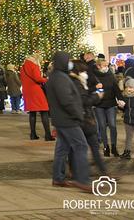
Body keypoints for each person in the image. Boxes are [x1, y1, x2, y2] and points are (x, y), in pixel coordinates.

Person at [46, 51, 90, 192]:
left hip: (60, 119)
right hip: (68, 119)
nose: (69, 63)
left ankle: (58, 178)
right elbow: (67, 101)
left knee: (62, 149)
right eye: (68, 60)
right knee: (81, 146)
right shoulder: (60, 78)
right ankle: (82, 180)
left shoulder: (55, 76)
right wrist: (78, 114)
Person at [69, 61, 109, 177]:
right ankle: (80, 174)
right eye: (83, 71)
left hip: (84, 118)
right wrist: (97, 96)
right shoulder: (76, 83)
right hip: (83, 119)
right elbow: (83, 101)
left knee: (92, 146)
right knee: (83, 147)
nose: (85, 73)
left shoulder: (78, 82)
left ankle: (103, 172)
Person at [21, 54, 53, 141]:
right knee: (44, 110)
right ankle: (48, 135)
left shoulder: (23, 66)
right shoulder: (34, 65)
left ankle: (33, 134)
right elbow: (37, 78)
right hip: (35, 90)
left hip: (26, 90)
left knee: (32, 112)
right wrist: (46, 80)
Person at [93, 59, 120, 157]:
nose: (106, 67)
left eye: (107, 65)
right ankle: (106, 147)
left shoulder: (110, 75)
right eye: (104, 65)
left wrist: (120, 99)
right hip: (99, 105)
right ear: (98, 66)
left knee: (113, 125)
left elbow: (116, 88)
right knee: (102, 126)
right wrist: (95, 88)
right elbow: (89, 89)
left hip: (111, 104)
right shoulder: (94, 76)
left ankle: (114, 147)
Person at [117, 77, 134, 160]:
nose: (129, 89)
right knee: (128, 137)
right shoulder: (125, 97)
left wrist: (126, 105)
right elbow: (125, 108)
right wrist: (120, 106)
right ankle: (127, 152)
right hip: (128, 120)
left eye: (131, 87)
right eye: (127, 87)